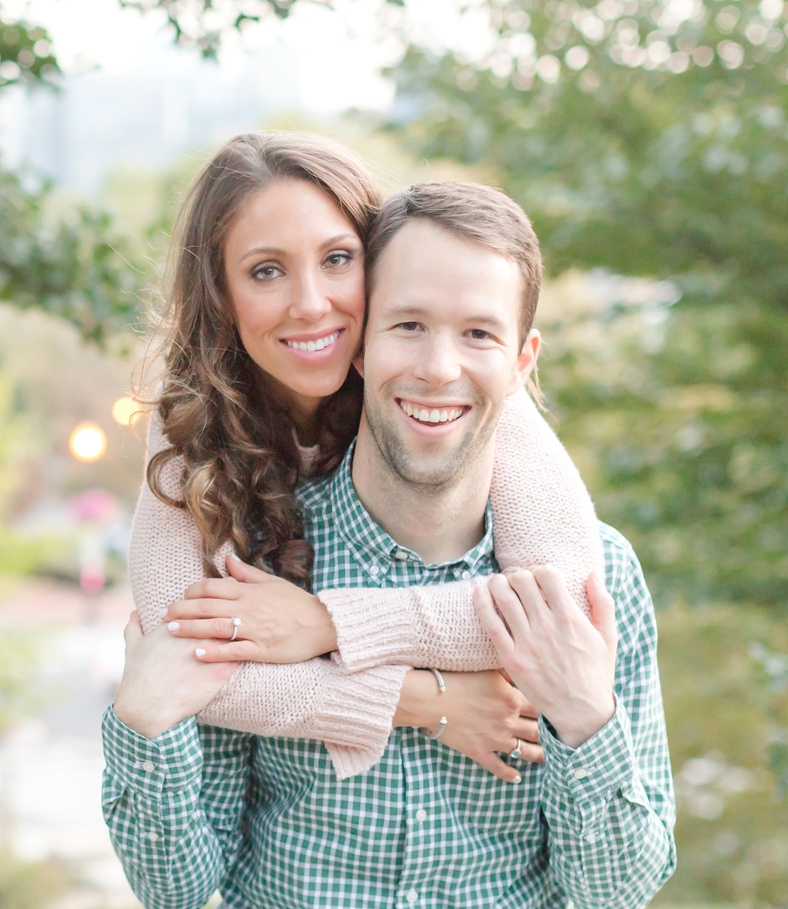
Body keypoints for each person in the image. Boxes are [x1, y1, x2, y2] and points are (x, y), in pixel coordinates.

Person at [103, 178, 676, 909]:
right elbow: (172, 895)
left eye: (479, 333)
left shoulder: (590, 575)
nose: (439, 368)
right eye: (408, 326)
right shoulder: (251, 564)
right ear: (360, 343)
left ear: (522, 362)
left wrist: (588, 719)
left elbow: (618, 895)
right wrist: (142, 726)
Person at [121, 132, 605, 784]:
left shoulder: (444, 382)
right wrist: (418, 700)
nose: (312, 303)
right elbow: (178, 663)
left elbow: (558, 611)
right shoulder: (189, 423)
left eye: (338, 258)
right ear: (221, 295)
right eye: (267, 270)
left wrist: (326, 624)